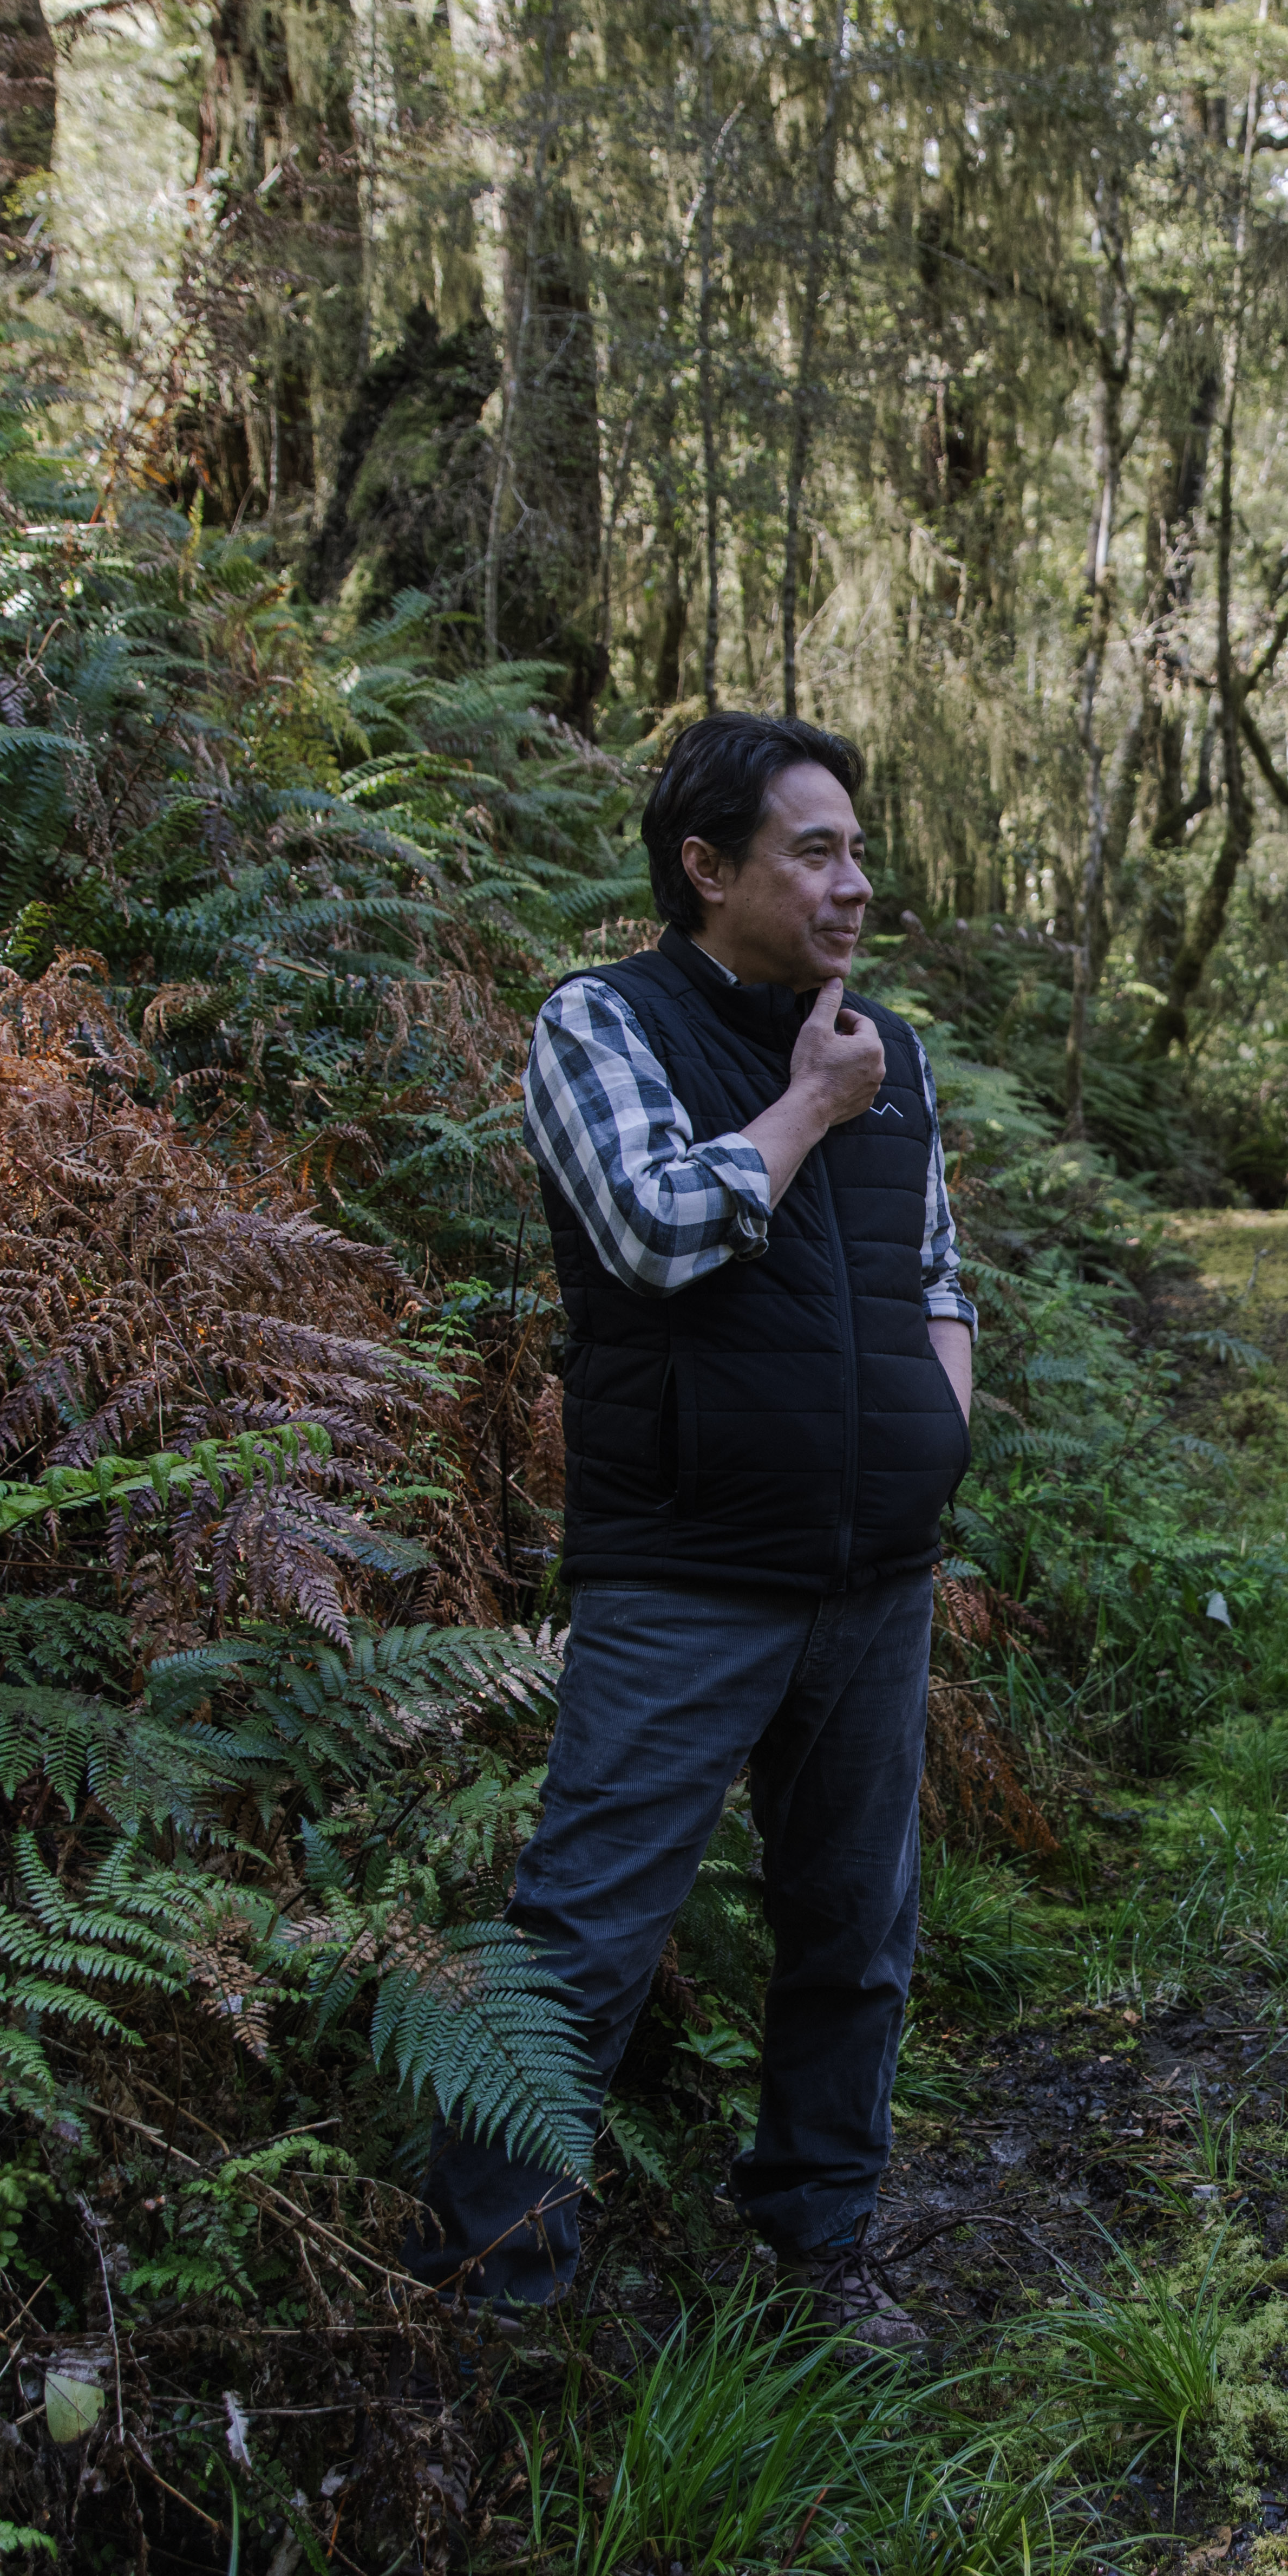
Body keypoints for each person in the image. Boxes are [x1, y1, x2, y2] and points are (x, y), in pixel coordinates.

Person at [407, 711, 975, 2347]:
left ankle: (821, 2244)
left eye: (858, 850)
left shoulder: (896, 1053)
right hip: (688, 1572)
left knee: (855, 1932)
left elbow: (935, 1273)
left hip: (877, 1571)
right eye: (816, 852)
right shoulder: (603, 1023)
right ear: (705, 867)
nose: (853, 884)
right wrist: (804, 1109)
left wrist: (943, 1425)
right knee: (585, 1935)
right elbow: (656, 1233)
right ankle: (495, 2289)